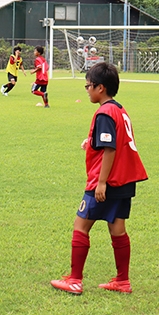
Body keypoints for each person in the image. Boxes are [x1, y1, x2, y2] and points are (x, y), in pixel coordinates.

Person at [51, 62, 147, 295]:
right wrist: (91, 142)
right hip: (124, 180)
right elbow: (113, 140)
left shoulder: (104, 112)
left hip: (107, 180)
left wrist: (101, 182)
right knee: (117, 229)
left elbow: (110, 148)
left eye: (88, 86)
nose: (86, 90)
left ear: (100, 88)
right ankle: (123, 281)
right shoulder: (119, 109)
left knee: (80, 226)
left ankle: (75, 280)